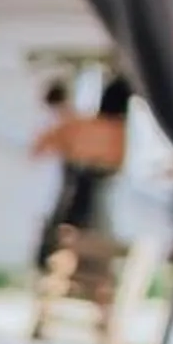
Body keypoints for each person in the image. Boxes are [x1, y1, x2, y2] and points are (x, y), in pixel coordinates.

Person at [35, 73, 132, 258]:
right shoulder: (82, 123)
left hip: (90, 174)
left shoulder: (78, 123)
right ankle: (62, 250)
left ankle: (63, 250)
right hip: (90, 174)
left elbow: (39, 149)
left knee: (83, 219)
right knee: (83, 219)